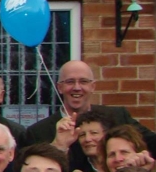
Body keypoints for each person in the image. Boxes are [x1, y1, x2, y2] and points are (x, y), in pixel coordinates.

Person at [28, 60, 156, 155]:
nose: (77, 87)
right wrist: (58, 144)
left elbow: (152, 143)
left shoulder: (118, 117)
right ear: (59, 87)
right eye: (70, 82)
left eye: (83, 81)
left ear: (93, 87)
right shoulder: (38, 132)